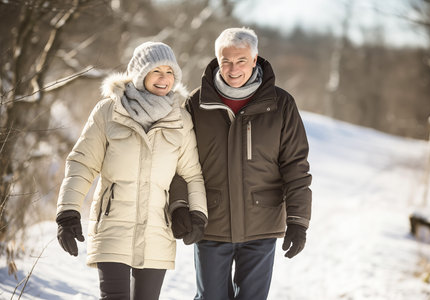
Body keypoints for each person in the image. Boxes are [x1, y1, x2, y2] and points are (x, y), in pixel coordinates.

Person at [55, 41, 208, 300]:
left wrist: (198, 214)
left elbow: (192, 173)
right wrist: (67, 213)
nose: (164, 78)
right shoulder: (109, 111)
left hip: (157, 230)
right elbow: (82, 163)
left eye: (169, 72)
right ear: (140, 73)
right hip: (113, 225)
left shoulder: (180, 120)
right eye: (156, 71)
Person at [169, 27, 312, 300]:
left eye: (241, 61)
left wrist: (298, 220)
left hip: (262, 223)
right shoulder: (197, 105)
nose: (233, 69)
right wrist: (180, 205)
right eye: (226, 61)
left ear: (255, 60)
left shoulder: (280, 104)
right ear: (217, 61)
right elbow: (179, 163)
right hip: (210, 222)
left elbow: (296, 166)